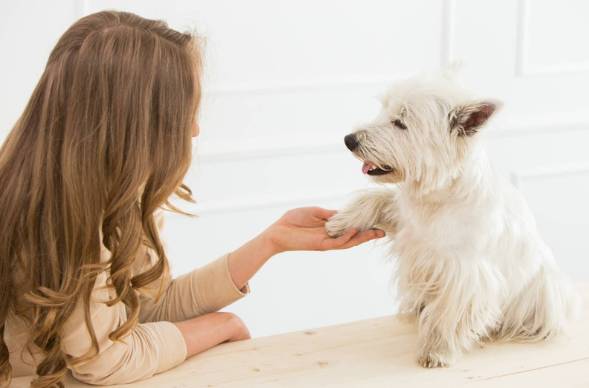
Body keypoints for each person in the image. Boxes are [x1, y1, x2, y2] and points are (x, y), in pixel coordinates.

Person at [0, 11, 384, 387]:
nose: (195, 127)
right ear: (134, 122)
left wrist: (272, 242)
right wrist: (217, 326)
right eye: (183, 112)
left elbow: (143, 309)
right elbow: (105, 361)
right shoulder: (64, 221)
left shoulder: (101, 195)